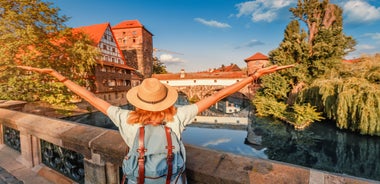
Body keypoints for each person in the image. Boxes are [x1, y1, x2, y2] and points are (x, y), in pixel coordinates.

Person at [17, 64, 292, 183]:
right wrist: (252, 76)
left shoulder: (124, 118)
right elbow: (221, 94)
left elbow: (88, 96)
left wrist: (59, 77)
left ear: (137, 100)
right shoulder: (178, 116)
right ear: (166, 100)